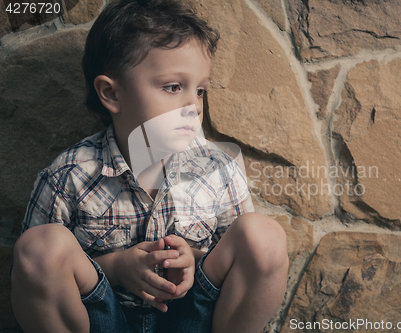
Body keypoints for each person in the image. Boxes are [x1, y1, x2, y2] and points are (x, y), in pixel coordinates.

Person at [10, 0, 289, 332]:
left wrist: (193, 262)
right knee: (38, 248)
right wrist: (116, 267)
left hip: (190, 319)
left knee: (264, 237)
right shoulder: (69, 176)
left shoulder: (218, 168)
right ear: (111, 94)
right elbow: (35, 276)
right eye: (173, 87)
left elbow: (237, 262)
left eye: (200, 90)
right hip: (103, 319)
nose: (192, 106)